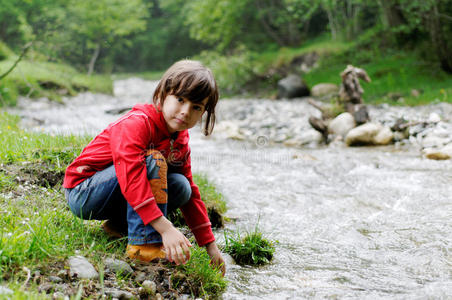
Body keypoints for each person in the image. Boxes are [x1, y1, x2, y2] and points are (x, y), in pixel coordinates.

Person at [63, 60, 225, 275]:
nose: (186, 111)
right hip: (85, 193)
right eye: (180, 99)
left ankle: (118, 226)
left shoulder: (179, 139)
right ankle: (144, 244)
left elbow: (192, 196)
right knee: (152, 160)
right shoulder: (137, 123)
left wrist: (210, 246)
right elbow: (131, 177)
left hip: (119, 192)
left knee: (181, 186)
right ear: (162, 94)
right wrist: (166, 229)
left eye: (196, 107)